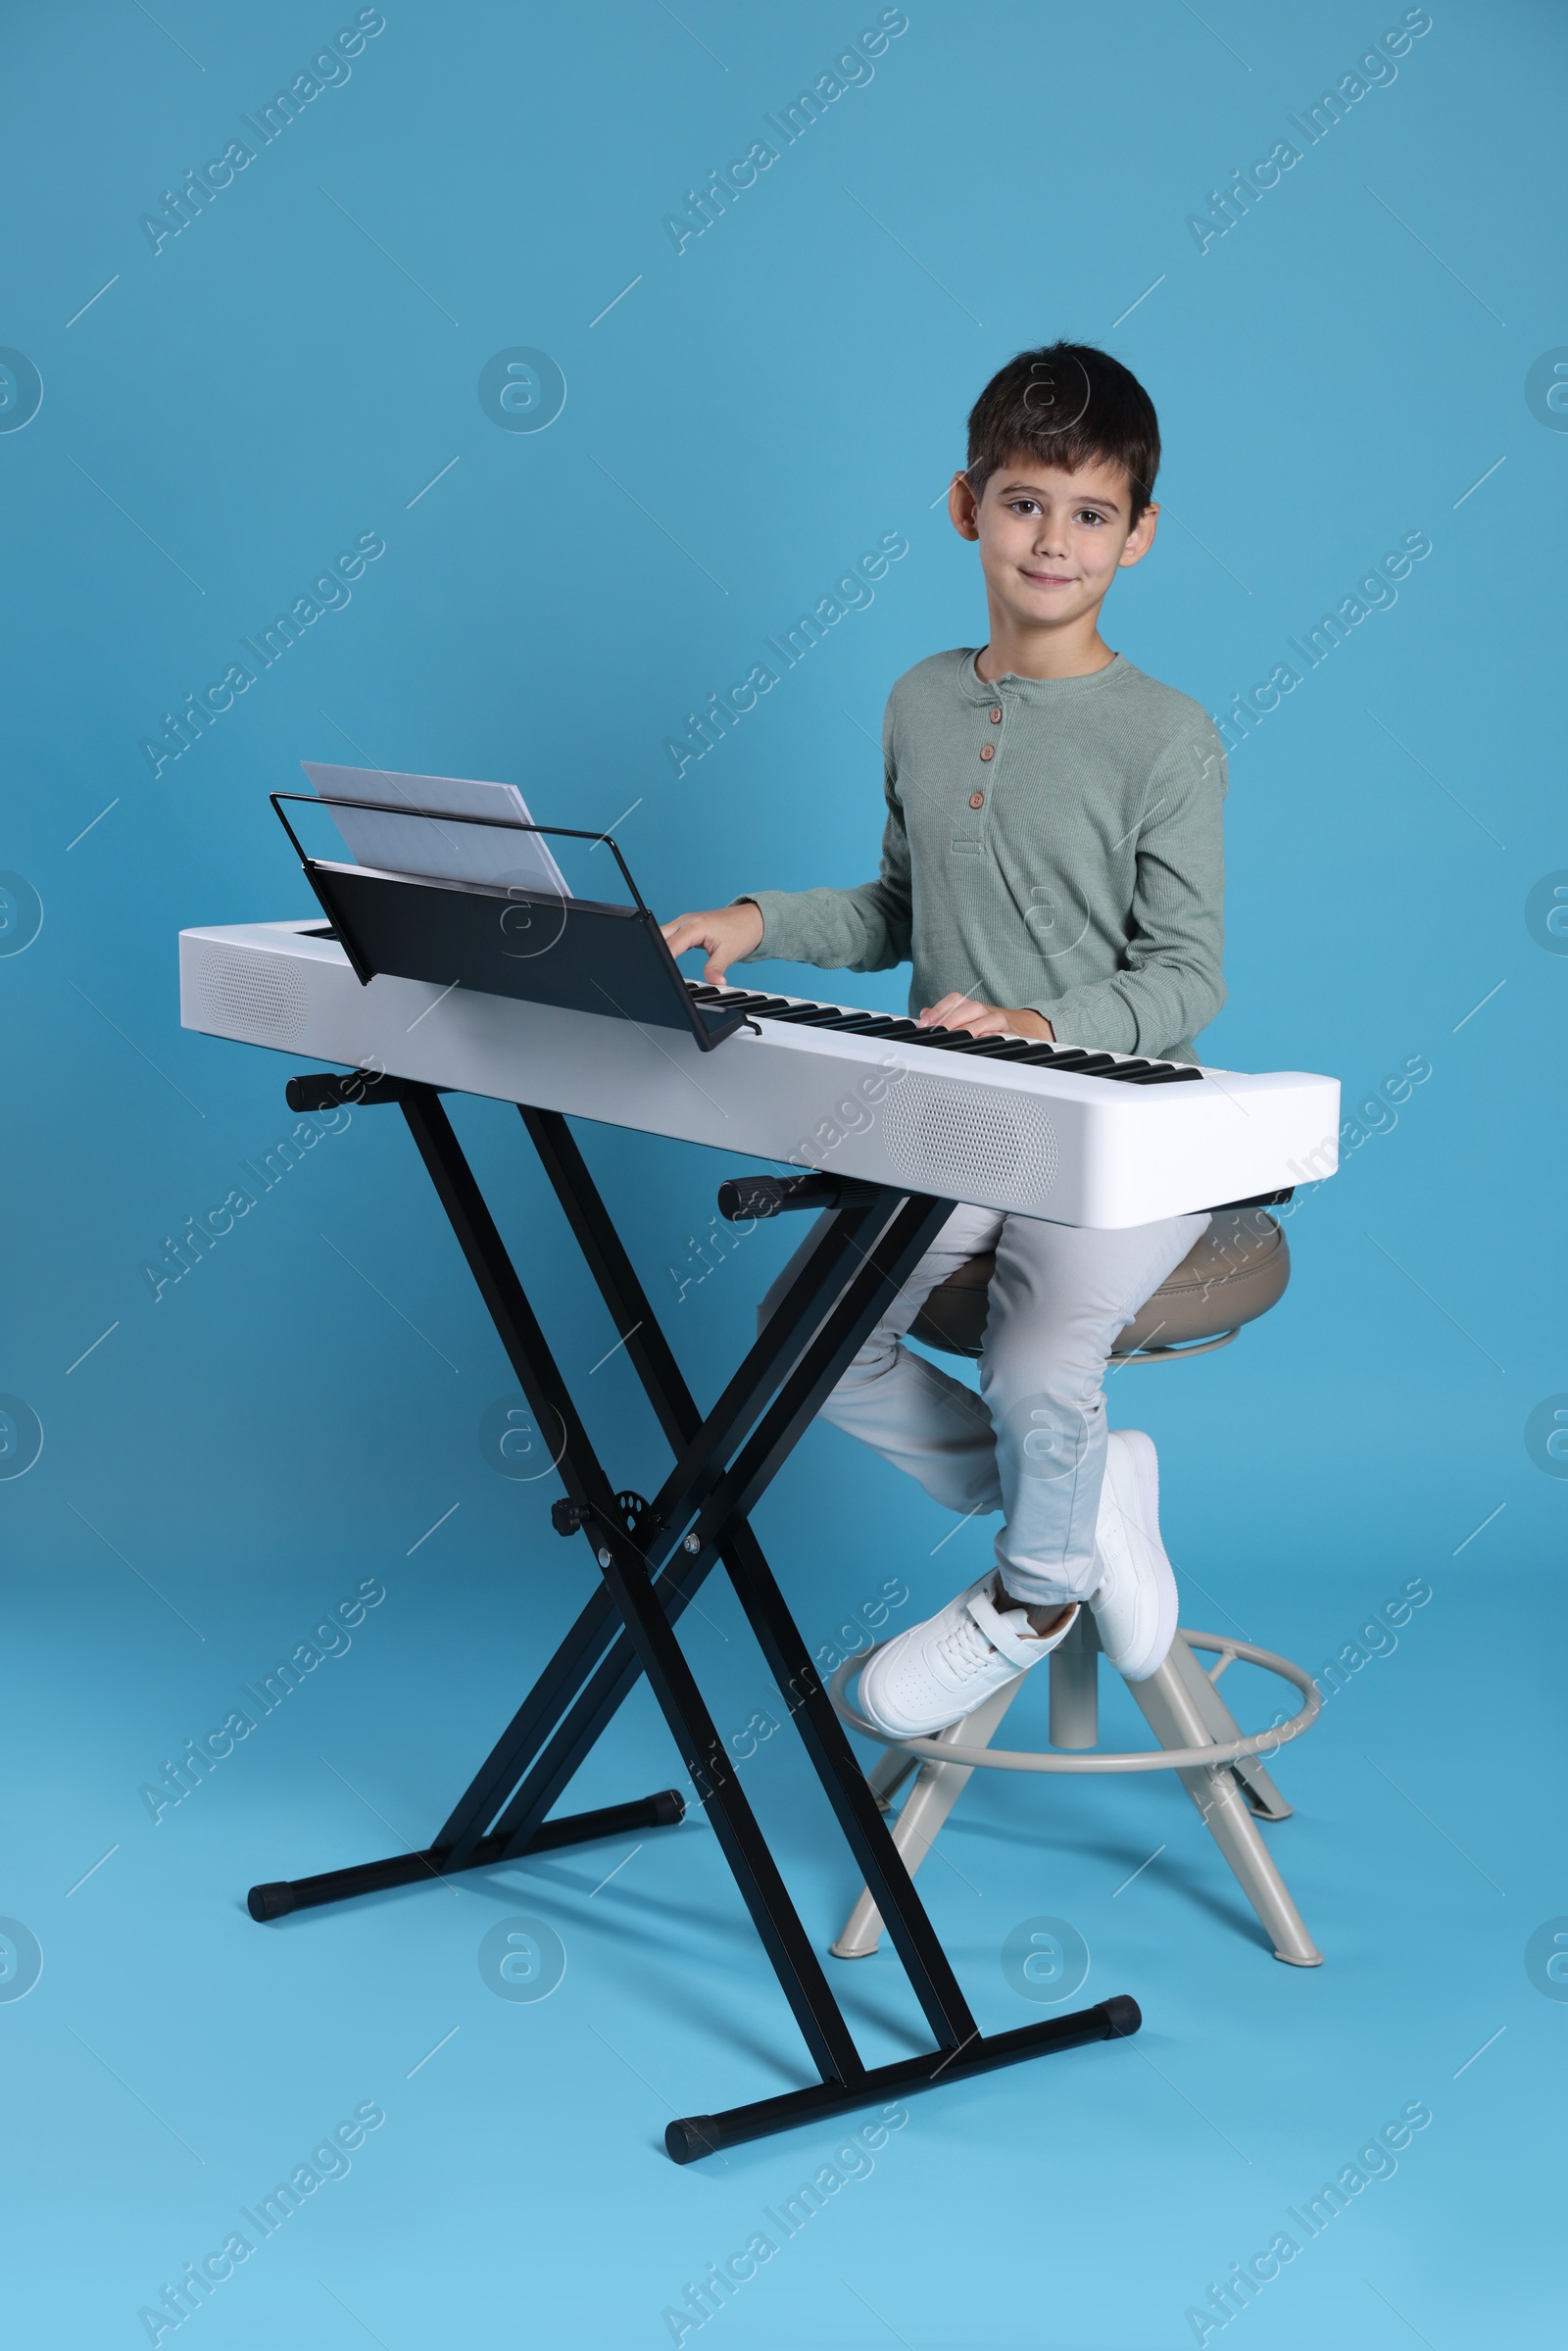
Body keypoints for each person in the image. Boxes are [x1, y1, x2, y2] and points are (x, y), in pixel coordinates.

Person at [661, 343, 1225, 1739]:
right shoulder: (921, 699)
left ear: (1139, 537)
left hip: (1122, 1127)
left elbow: (1187, 976)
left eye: (1091, 514)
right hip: (960, 1118)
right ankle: (1091, 1499)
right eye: (1026, 501)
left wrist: (1041, 1025)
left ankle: (1032, 1592)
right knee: (804, 1328)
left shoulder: (1168, 738)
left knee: (1041, 1365)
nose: (1055, 539)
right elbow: (896, 909)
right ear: (965, 503)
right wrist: (755, 917)